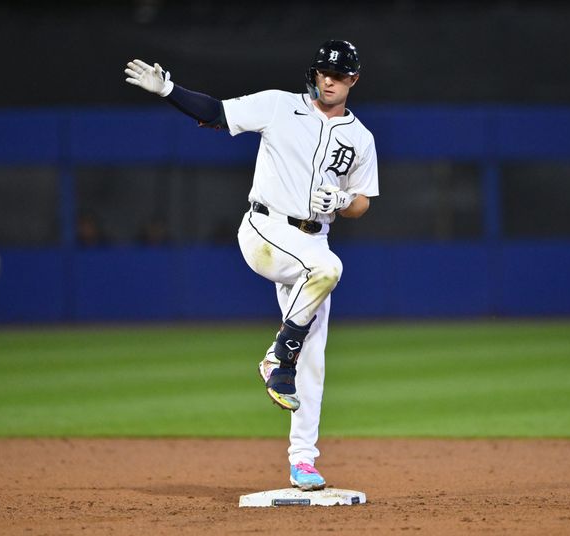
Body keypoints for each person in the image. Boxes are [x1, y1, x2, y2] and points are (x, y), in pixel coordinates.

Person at [124, 40, 379, 491]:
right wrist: (168, 91)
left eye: (338, 75)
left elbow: (361, 202)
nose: (328, 79)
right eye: (323, 71)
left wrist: (340, 201)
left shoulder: (361, 138)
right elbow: (216, 113)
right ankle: (279, 353)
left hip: (311, 242)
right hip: (265, 229)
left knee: (314, 361)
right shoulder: (279, 107)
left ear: (353, 80)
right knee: (330, 270)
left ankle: (303, 460)